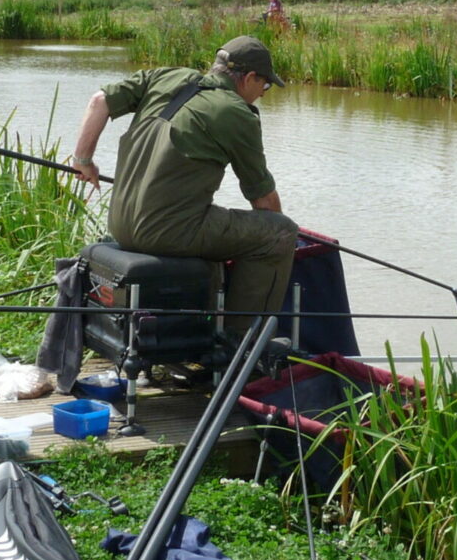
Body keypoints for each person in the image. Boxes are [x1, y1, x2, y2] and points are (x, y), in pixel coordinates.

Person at [70, 35, 298, 340]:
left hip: (121, 224)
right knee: (279, 233)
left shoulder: (165, 76)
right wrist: (282, 229)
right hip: (167, 233)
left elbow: (99, 101)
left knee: (216, 222)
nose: (263, 94)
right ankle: (241, 344)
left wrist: (83, 159)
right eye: (265, 85)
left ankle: (199, 331)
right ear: (250, 78)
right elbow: (264, 202)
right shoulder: (236, 113)